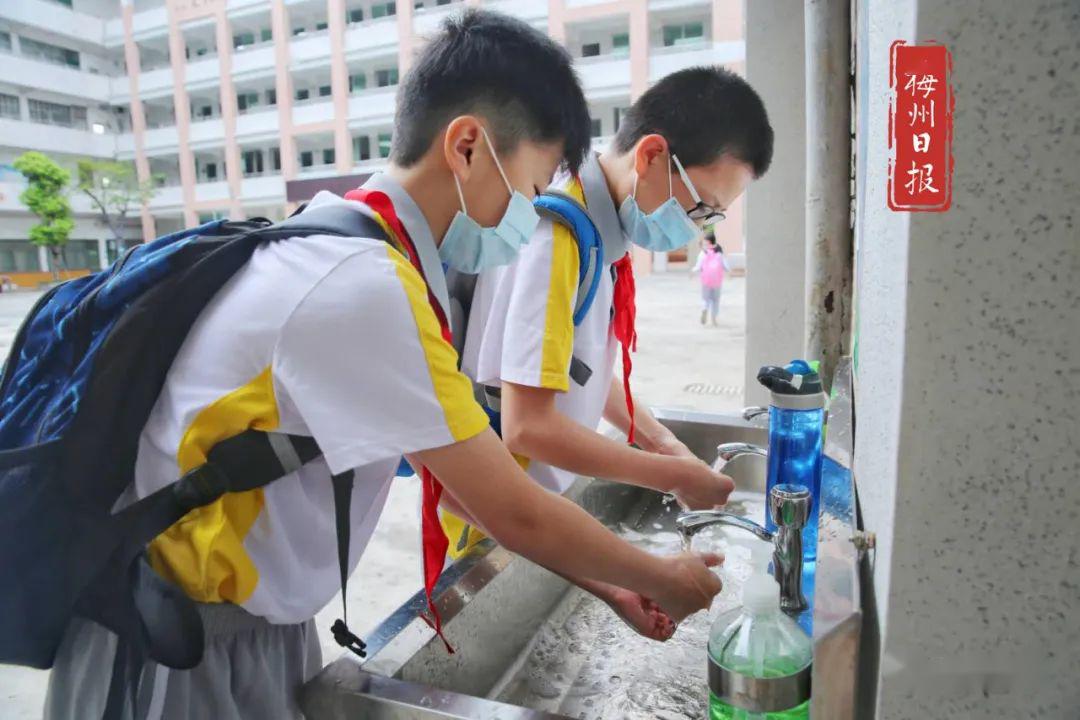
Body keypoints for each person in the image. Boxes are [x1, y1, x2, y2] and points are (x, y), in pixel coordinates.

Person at [44, 11, 722, 720]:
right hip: (178, 647)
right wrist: (659, 575)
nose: (526, 215)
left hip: (245, 627)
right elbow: (510, 506)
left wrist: (610, 584)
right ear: (466, 146)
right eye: (526, 188)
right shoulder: (360, 284)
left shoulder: (355, 245)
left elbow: (464, 487)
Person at [448, 65, 774, 618]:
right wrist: (673, 474)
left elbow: (588, 378)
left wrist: (667, 447)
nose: (697, 228)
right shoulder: (558, 234)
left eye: (713, 217)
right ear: (650, 156)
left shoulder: (602, 239)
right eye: (700, 207)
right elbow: (531, 426)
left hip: (541, 517)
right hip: (491, 530)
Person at [692, 230, 730, 326]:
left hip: (706, 280)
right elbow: (726, 266)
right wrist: (729, 273)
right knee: (715, 300)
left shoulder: (703, 253)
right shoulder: (719, 253)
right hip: (717, 281)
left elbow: (698, 267)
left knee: (706, 299)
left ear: (707, 242)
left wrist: (692, 272)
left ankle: (704, 308)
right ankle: (714, 318)